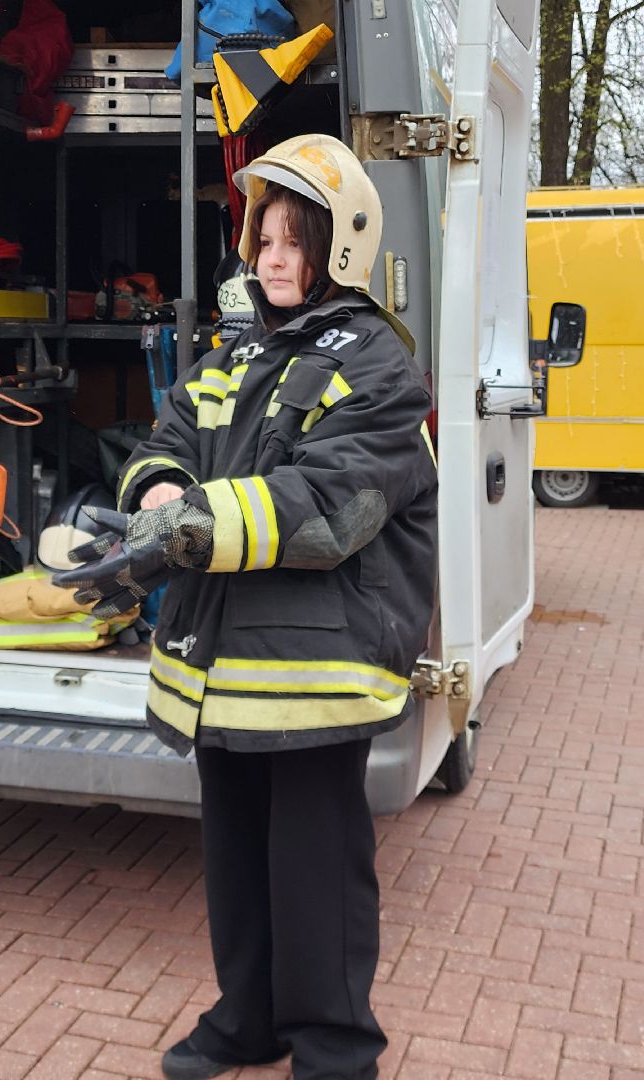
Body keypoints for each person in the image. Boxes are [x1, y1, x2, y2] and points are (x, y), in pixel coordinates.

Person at [54, 133, 438, 1080]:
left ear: (340, 247)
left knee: (316, 874)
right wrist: (154, 494)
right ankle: (248, 1020)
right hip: (222, 662)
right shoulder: (239, 350)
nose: (271, 258)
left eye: (293, 241)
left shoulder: (378, 367)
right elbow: (172, 434)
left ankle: (336, 1051)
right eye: (263, 239)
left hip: (313, 669)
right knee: (236, 864)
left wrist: (184, 527)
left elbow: (327, 510)